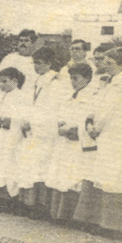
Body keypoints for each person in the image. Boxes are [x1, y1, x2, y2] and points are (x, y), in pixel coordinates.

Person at [72, 47, 122, 237]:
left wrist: (96, 127)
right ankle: (105, 222)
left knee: (117, 180)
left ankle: (115, 227)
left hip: (120, 139)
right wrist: (90, 121)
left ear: (121, 64)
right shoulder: (109, 83)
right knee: (106, 179)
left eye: (109, 62)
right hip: (108, 138)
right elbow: (98, 106)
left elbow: (111, 111)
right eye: (104, 61)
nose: (104, 65)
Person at [17, 46, 69, 215]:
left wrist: (34, 122)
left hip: (46, 132)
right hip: (35, 130)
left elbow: (51, 109)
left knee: (43, 167)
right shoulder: (38, 80)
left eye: (38, 63)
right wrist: (26, 119)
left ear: (48, 63)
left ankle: (41, 206)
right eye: (34, 63)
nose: (35, 67)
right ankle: (30, 204)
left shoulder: (55, 82)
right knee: (32, 166)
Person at [45, 61, 95, 221]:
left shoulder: (93, 98)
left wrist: (72, 129)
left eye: (76, 78)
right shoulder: (70, 96)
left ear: (87, 78)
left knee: (75, 177)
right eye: (71, 78)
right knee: (61, 174)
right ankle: (59, 214)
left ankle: (74, 216)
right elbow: (61, 115)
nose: (73, 82)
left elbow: (88, 119)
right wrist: (60, 124)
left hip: (78, 143)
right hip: (65, 142)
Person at [0, 67, 29, 208]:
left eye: (4, 81)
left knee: (9, 166)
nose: (0, 85)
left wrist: (12, 121)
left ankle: (8, 198)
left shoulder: (21, 97)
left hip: (11, 138)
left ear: (15, 81)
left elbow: (25, 118)